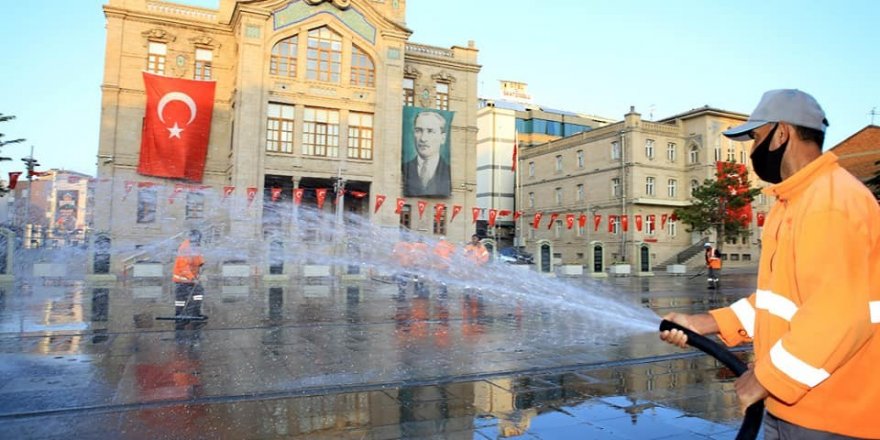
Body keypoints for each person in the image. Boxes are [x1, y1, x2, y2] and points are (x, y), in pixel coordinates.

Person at [660, 89, 880, 439]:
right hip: (792, 405)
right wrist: (703, 323)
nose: (751, 150)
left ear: (781, 133)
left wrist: (765, 378)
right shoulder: (790, 203)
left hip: (833, 412)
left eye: (756, 138)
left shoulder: (833, 204)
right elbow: (779, 302)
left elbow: (838, 316)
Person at [403, 110, 451, 197]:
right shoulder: (403, 168)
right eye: (418, 131)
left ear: (443, 138)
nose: (423, 138)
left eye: (430, 131)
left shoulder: (449, 171)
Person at [172, 229, 205, 321]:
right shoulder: (185, 248)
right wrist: (192, 278)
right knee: (181, 299)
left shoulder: (194, 246)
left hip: (191, 278)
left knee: (198, 294)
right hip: (182, 279)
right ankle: (179, 315)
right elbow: (183, 267)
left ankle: (195, 313)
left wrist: (201, 263)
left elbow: (197, 258)